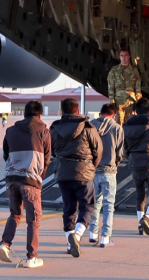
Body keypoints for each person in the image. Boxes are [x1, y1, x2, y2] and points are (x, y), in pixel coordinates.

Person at [0, 101, 51, 269]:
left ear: (24, 114)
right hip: (31, 180)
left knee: (15, 214)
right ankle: (31, 257)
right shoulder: (44, 131)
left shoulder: (11, 130)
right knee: (33, 220)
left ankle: (5, 244)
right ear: (40, 115)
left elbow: (6, 154)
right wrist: (40, 176)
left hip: (12, 179)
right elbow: (47, 158)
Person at [50, 98, 102, 258]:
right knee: (88, 206)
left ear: (62, 111)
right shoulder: (88, 127)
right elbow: (98, 150)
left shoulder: (55, 128)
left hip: (63, 173)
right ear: (78, 110)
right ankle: (77, 236)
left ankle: (69, 241)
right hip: (84, 172)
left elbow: (51, 150)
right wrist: (91, 167)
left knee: (69, 208)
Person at [123, 98, 149, 236]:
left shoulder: (126, 126)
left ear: (135, 111)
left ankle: (141, 226)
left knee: (140, 194)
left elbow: (125, 147)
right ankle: (147, 217)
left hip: (134, 163)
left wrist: (130, 157)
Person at [88, 103, 124, 247]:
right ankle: (105, 237)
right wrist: (115, 164)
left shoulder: (91, 126)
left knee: (94, 203)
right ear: (114, 114)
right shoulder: (117, 128)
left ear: (101, 113)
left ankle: (92, 233)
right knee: (109, 205)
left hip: (93, 170)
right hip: (109, 170)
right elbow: (120, 152)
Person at [107, 47, 142, 124]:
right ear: (119, 57)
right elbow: (110, 86)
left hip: (130, 101)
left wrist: (138, 99)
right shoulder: (114, 70)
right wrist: (112, 100)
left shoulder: (134, 70)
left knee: (130, 123)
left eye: (125, 55)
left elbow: (138, 86)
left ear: (129, 57)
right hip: (118, 102)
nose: (124, 58)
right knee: (118, 123)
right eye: (122, 56)